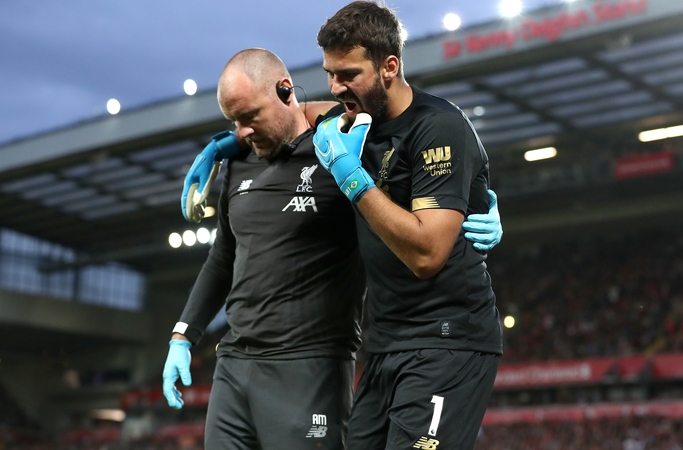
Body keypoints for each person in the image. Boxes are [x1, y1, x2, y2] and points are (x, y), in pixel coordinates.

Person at [162, 47, 502, 449]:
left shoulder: (342, 150)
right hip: (234, 364)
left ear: (286, 91)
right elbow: (222, 258)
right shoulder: (237, 162)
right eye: (233, 121)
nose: (244, 131)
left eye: (251, 116)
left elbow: (419, 165)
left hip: (312, 365)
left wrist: (481, 205)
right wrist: (182, 336)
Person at [312, 2, 503, 449]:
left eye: (348, 75)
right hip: (384, 344)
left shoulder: (439, 127)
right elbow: (291, 113)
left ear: (389, 67)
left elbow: (427, 255)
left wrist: (351, 177)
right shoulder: (352, 118)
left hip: (446, 340)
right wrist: (226, 142)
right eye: (330, 74)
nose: (336, 88)